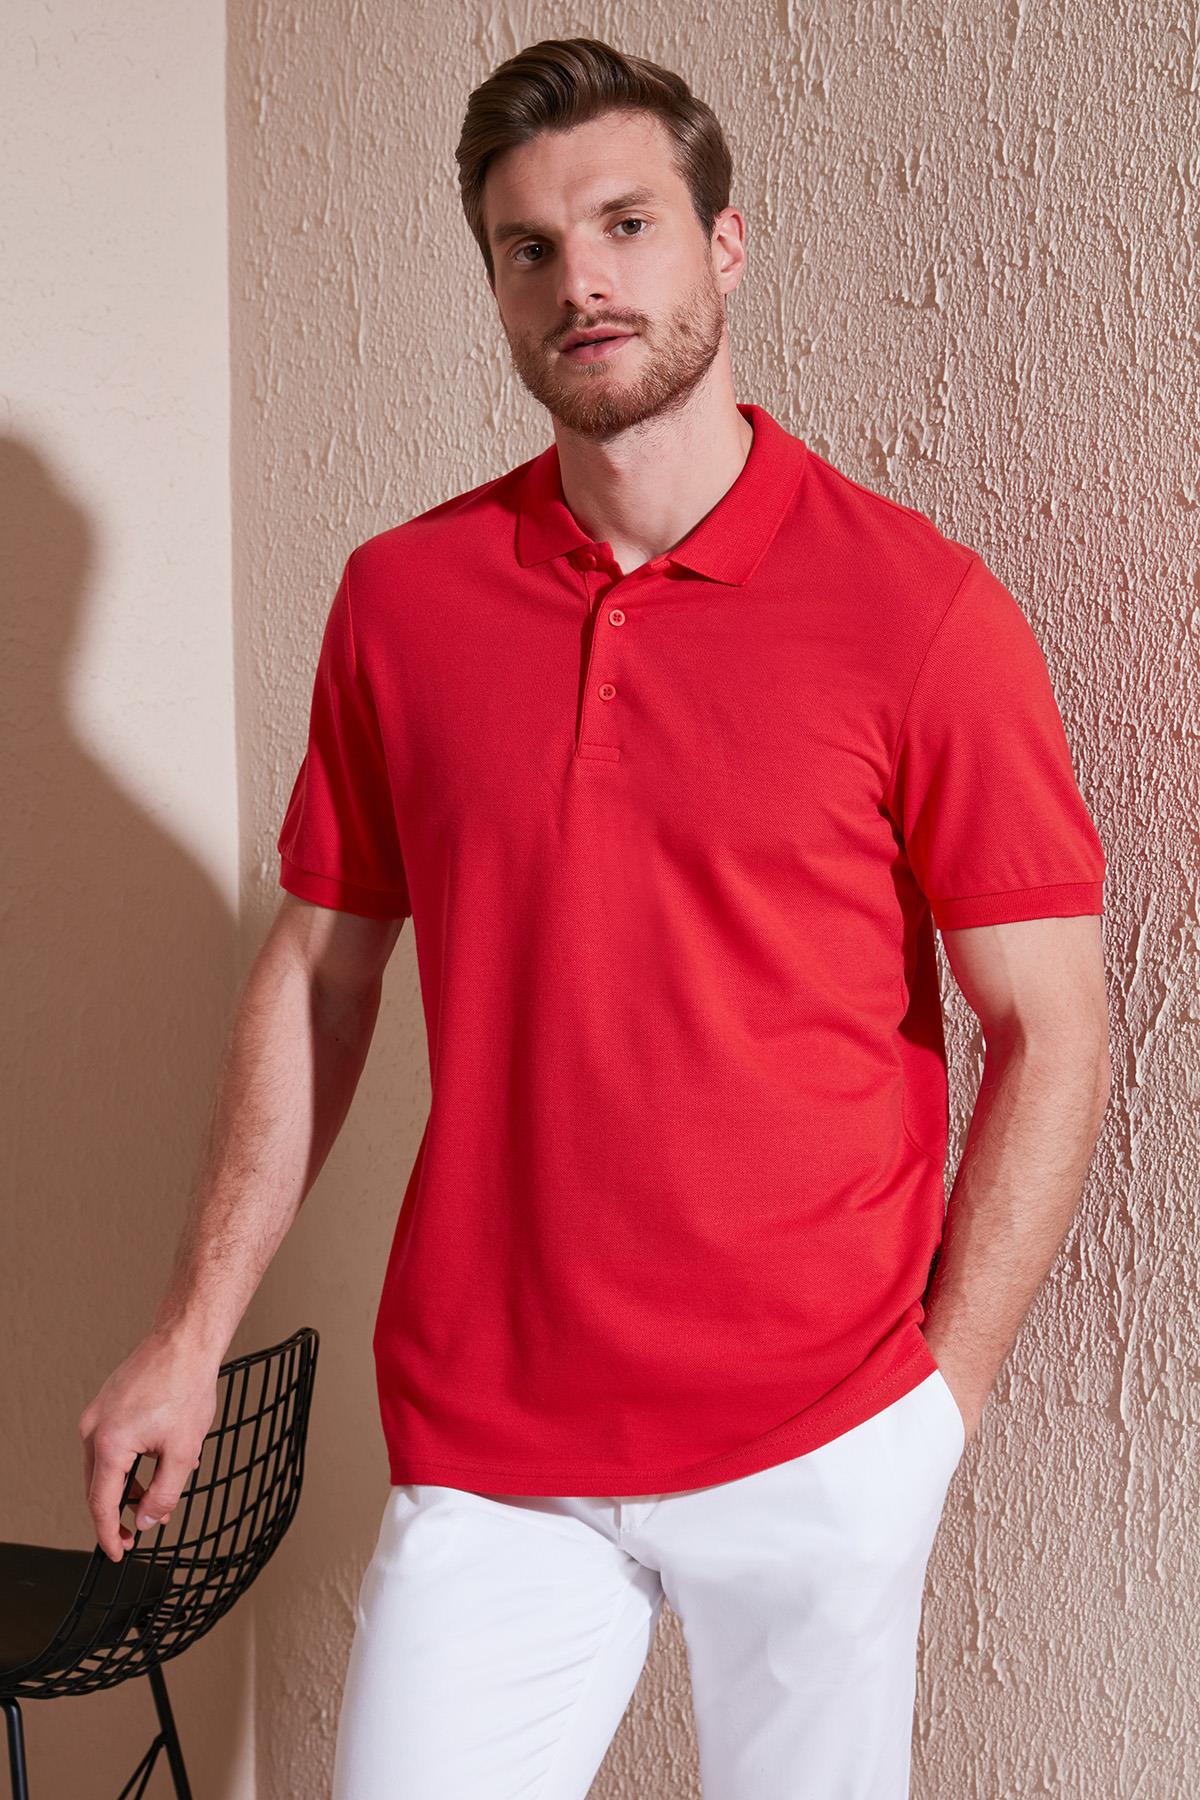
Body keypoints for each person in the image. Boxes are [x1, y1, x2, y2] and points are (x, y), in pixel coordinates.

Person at [78, 35, 1112, 1799]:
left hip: (822, 1439)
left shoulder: (921, 612)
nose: (584, 281)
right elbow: (321, 977)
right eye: (530, 247)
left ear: (726, 244)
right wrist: (190, 1333)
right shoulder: (401, 603)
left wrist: (937, 1408)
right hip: (495, 1445)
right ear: (496, 284)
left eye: (628, 224)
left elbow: (1054, 1024)